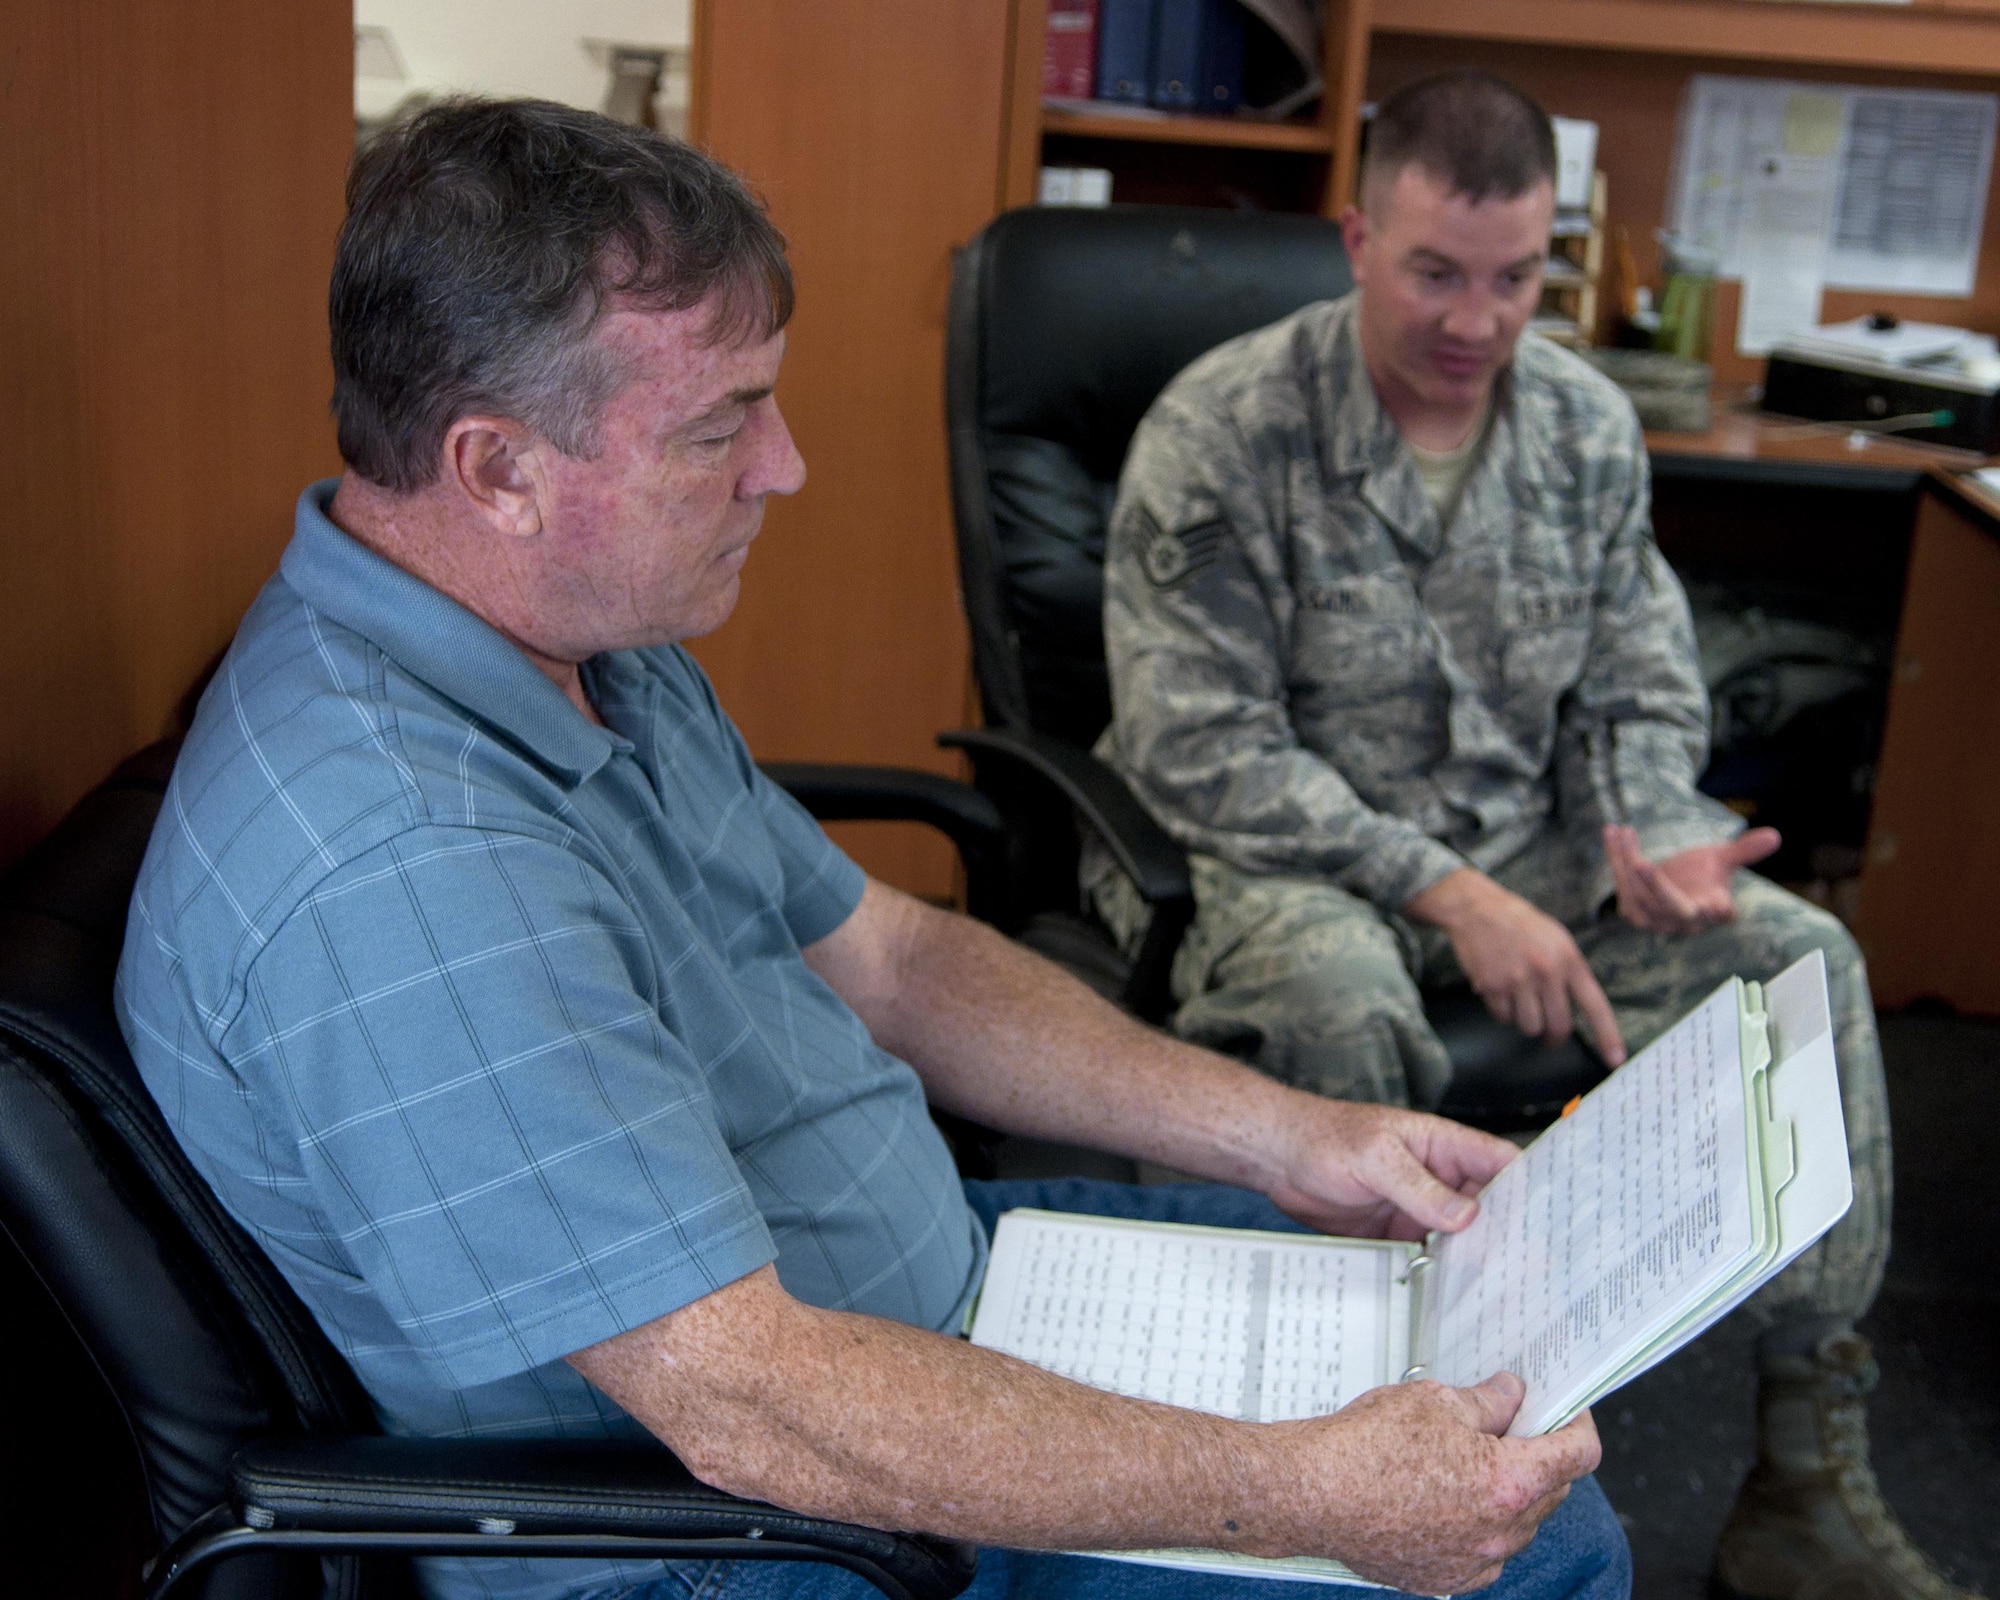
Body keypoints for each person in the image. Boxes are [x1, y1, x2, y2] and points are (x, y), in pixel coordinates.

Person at [114, 99, 1629, 1600]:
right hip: (751, 1525)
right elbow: (748, 1397)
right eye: (720, 426)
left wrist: (1290, 1134)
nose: (785, 468)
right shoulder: (406, 869)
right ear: (498, 470)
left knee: (1455, 1327)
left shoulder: (578, 640)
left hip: (919, 1293)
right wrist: (1309, 1494)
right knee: (1541, 1549)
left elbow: (891, 960)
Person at [1094, 67, 1966, 1600]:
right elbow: (1198, 747)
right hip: (1292, 859)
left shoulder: (1582, 424)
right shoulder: (1224, 428)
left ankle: (1804, 1468)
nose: (1477, 323)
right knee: (1338, 1008)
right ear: (1358, 235)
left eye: (1514, 279)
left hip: (1540, 854)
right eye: (1435, 272)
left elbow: (1639, 676)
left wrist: (1646, 825)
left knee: (1800, 963)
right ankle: (1359, 1474)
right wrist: (1447, 896)